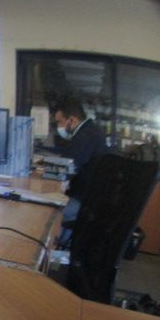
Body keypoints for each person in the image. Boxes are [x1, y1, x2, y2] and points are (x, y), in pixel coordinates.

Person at [52, 97, 108, 246]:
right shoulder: (90, 131)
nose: (58, 127)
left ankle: (52, 249)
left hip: (83, 202)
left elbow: (66, 168)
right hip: (87, 198)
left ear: (72, 120)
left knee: (46, 213)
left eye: (59, 122)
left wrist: (47, 171)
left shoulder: (85, 136)